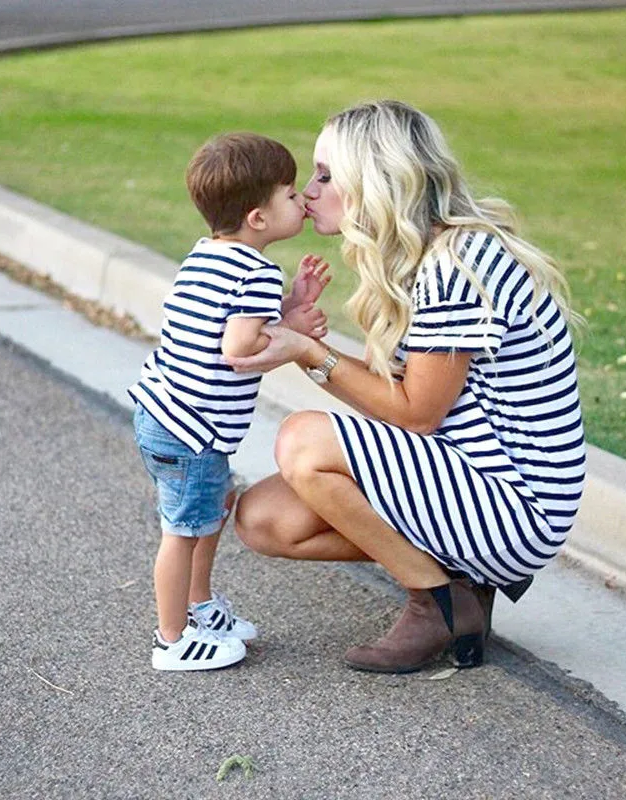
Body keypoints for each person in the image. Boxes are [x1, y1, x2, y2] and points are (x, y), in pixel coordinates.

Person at [226, 101, 586, 674]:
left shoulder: (456, 264)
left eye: (324, 174)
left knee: (302, 440)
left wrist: (308, 352)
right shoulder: (417, 258)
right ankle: (463, 581)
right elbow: (411, 403)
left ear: (373, 180)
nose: (309, 190)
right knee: (263, 518)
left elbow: (416, 414)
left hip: (518, 501)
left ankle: (435, 600)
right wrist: (300, 346)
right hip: (463, 470)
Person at [129, 133, 330, 671]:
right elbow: (241, 349)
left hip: (165, 414)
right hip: (190, 430)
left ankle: (199, 609)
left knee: (208, 514)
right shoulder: (259, 271)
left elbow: (233, 322)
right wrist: (293, 327)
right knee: (182, 530)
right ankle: (171, 640)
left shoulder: (210, 254)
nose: (302, 201)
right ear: (258, 218)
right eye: (290, 194)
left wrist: (292, 306)